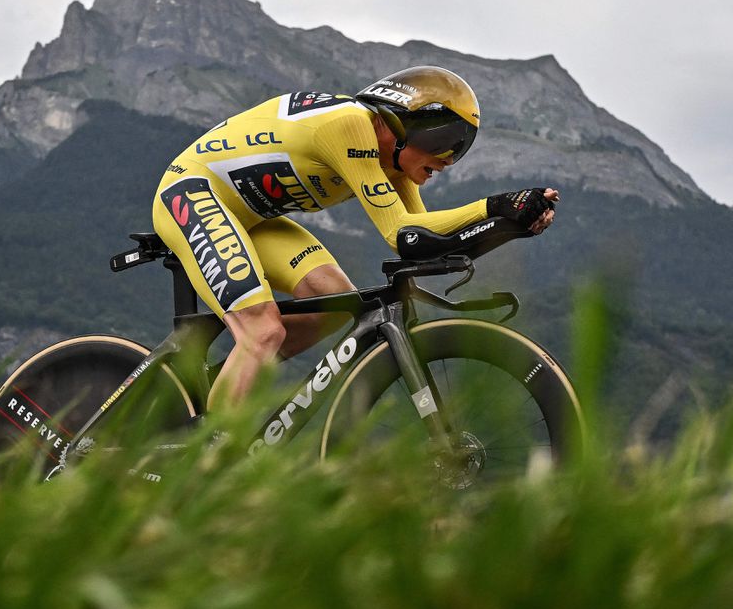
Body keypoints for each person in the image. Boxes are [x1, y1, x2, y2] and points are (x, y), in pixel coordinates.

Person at [152, 65, 558, 409]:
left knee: (335, 303)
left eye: (460, 148)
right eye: (444, 143)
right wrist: (495, 206)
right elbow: (406, 237)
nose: (448, 160)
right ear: (401, 124)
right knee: (262, 331)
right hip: (191, 193)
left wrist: (513, 225)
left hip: (252, 219)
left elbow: (424, 238)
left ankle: (215, 395)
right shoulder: (349, 126)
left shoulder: (394, 165)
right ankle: (205, 463)